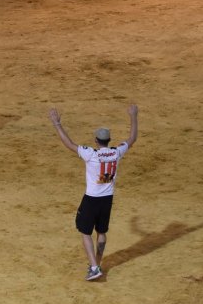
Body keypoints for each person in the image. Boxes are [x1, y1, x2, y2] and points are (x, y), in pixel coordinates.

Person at [49, 104, 139, 281]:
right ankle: (97, 262)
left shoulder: (91, 154)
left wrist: (57, 124)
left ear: (96, 141)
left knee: (85, 232)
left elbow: (69, 144)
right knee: (101, 232)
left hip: (91, 199)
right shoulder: (116, 152)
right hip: (107, 199)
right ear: (109, 140)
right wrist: (133, 115)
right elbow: (132, 138)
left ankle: (94, 267)